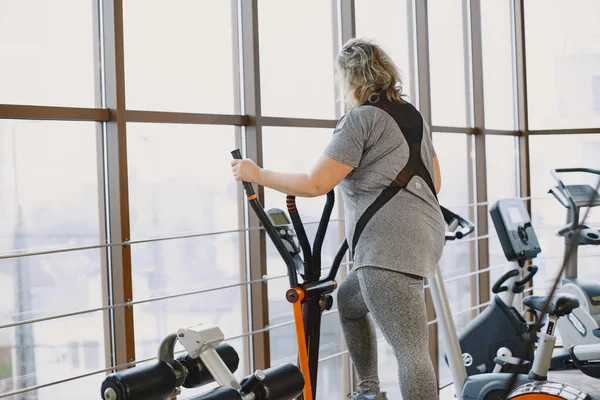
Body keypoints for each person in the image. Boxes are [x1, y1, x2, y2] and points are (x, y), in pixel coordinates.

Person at [231, 38, 445, 400]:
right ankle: (368, 391)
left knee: (410, 349)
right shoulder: (409, 114)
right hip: (424, 235)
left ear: (350, 79)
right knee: (349, 302)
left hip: (386, 247)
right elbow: (434, 181)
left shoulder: (359, 120)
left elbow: (315, 183)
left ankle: (372, 391)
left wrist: (256, 173)